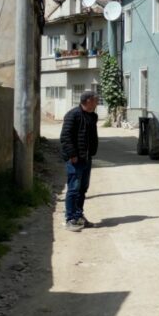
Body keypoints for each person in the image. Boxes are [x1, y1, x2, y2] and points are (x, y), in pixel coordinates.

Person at [60, 90, 99, 232]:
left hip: (87, 158)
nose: (97, 102)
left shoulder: (92, 116)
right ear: (88, 101)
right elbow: (65, 137)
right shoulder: (73, 115)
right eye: (96, 100)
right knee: (73, 189)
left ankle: (78, 216)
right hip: (75, 160)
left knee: (83, 189)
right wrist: (72, 154)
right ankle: (70, 218)